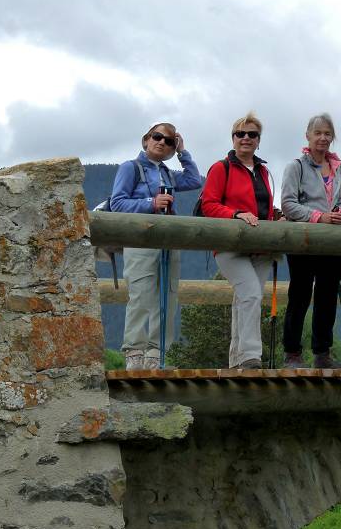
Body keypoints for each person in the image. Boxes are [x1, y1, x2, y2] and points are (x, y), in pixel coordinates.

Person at [110, 122, 202, 370]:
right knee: (140, 295)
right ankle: (134, 354)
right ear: (146, 140)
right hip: (139, 240)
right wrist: (151, 202)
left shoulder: (169, 173)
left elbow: (194, 180)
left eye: (169, 141)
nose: (162, 142)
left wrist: (183, 152)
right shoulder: (130, 168)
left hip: (168, 240)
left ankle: (157, 355)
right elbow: (117, 204)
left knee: (168, 296)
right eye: (157, 137)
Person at [201, 111, 279, 369]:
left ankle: (237, 359)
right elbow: (208, 205)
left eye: (252, 134)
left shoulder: (264, 171)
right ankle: (250, 357)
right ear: (233, 138)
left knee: (245, 299)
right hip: (229, 245)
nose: (246, 138)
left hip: (260, 246)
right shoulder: (220, 167)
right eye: (241, 134)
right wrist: (235, 214)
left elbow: (263, 207)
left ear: (259, 140)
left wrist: (274, 217)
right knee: (251, 295)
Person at [281, 113, 341, 369]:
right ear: (307, 136)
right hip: (304, 240)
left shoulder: (337, 167)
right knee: (299, 295)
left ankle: (322, 354)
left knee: (327, 297)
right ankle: (292, 353)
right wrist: (320, 217)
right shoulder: (295, 166)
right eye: (317, 133)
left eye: (327, 133)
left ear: (333, 137)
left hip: (331, 242)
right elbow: (288, 205)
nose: (322, 138)